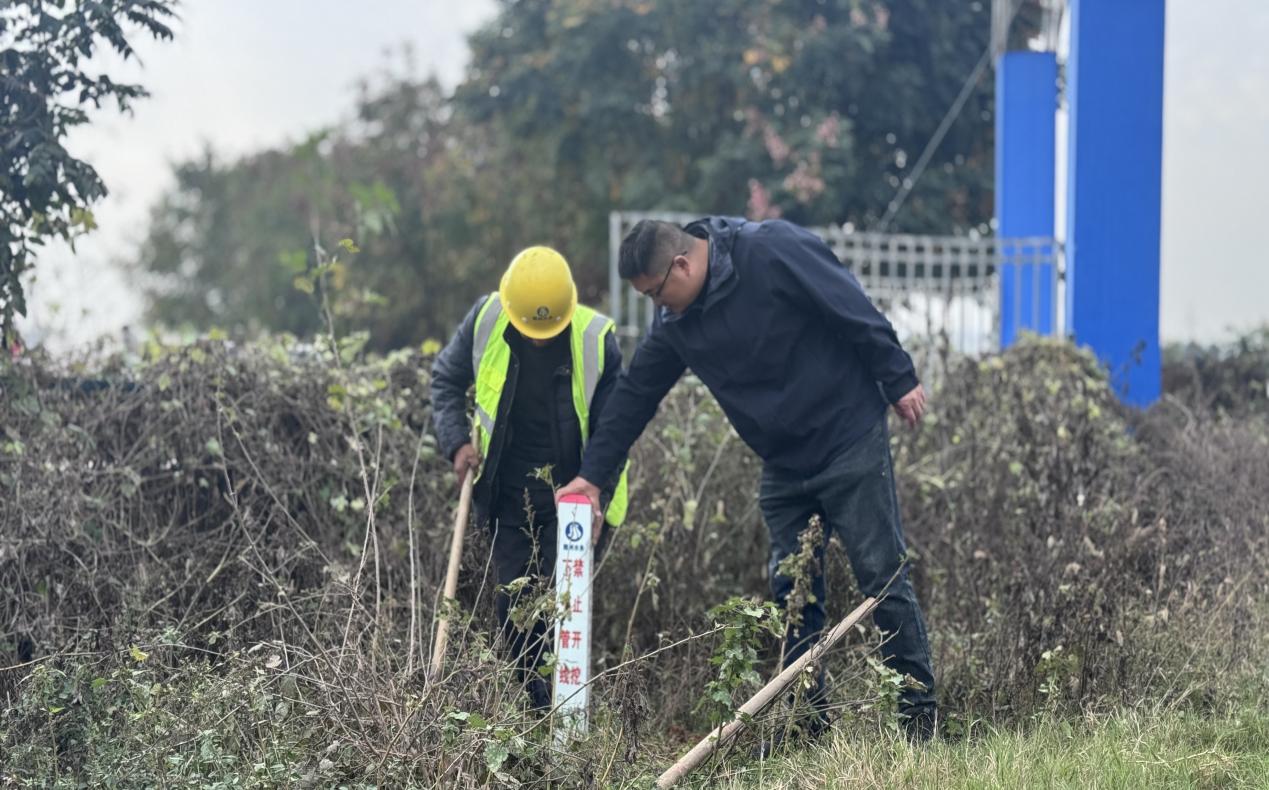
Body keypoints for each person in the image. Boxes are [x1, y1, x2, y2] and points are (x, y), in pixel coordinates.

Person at [556, 217, 937, 740]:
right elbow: (634, 397)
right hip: (783, 465)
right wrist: (592, 478)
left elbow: (846, 302)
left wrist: (897, 375)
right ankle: (807, 725)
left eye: (656, 293)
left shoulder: (770, 250)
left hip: (848, 437)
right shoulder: (676, 324)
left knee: (882, 577)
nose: (657, 307)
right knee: (793, 595)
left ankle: (919, 723)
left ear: (682, 265)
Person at [431, 246, 629, 710]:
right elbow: (445, 379)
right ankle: (537, 713)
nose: (539, 341)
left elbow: (615, 431)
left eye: (548, 333)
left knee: (564, 610)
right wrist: (456, 442)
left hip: (577, 499)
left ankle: (568, 720)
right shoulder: (486, 319)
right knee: (515, 610)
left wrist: (596, 491)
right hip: (508, 496)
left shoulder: (597, 341)